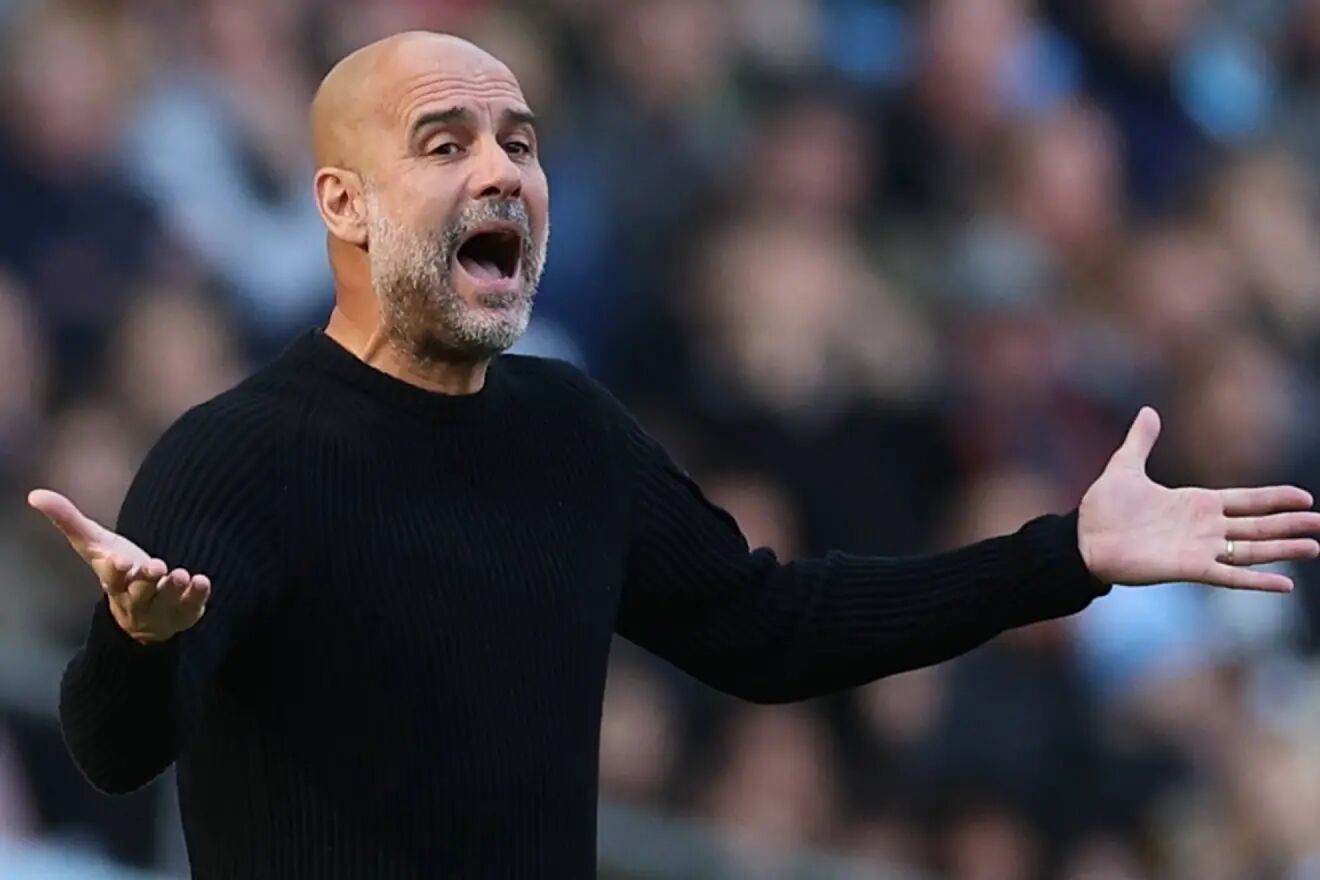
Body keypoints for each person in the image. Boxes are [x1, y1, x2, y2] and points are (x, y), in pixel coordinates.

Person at [24, 31, 1320, 879]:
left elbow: (772, 630)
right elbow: (115, 747)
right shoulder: (237, 457)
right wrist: (140, 639)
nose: (501, 169)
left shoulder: (571, 434)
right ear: (341, 205)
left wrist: (1067, 555)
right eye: (445, 143)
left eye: (519, 141)